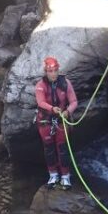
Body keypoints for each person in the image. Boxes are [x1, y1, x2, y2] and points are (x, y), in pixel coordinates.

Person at [35, 56, 78, 189]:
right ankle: (53, 175)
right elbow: (40, 102)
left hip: (60, 121)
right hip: (45, 121)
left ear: (58, 70)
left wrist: (68, 111)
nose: (53, 74)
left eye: (55, 70)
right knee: (49, 149)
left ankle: (65, 176)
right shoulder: (40, 85)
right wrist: (52, 109)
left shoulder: (65, 83)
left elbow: (74, 102)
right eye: (50, 71)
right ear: (46, 72)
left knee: (62, 148)